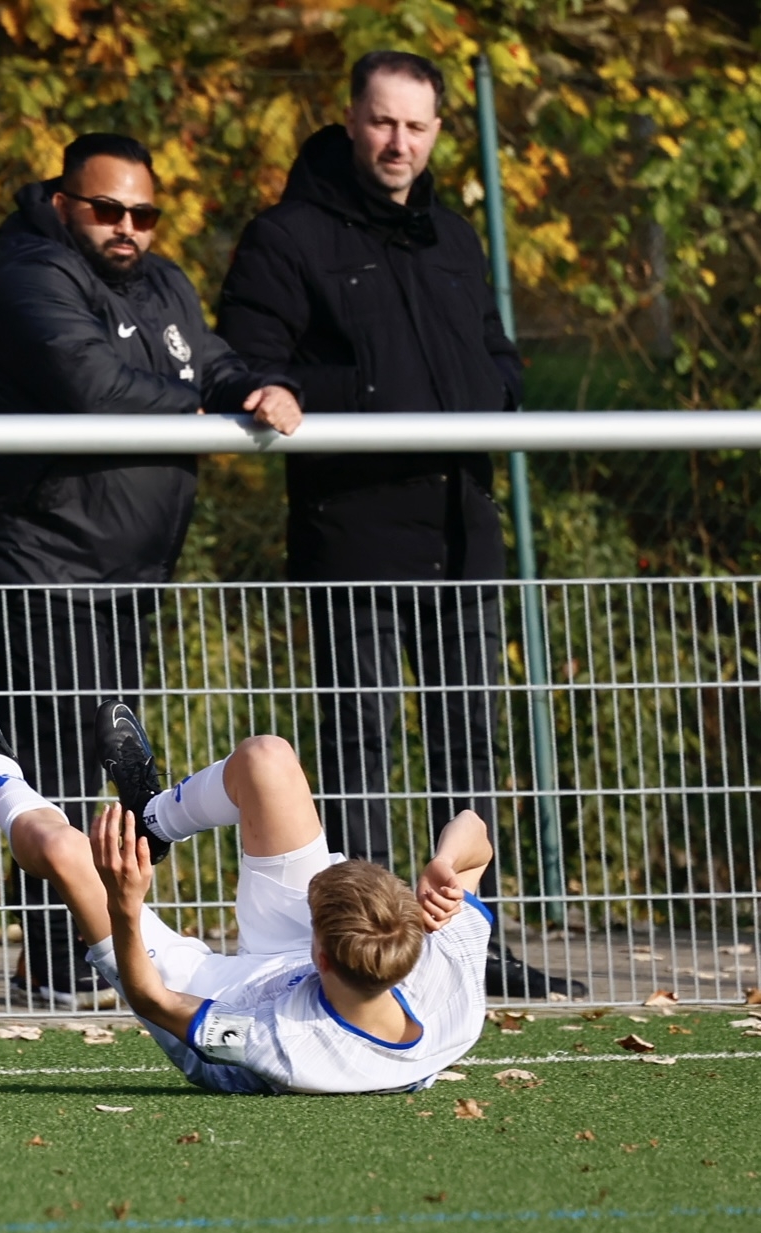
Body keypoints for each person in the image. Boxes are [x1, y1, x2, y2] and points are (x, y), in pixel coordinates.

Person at [215, 52, 579, 998]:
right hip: (354, 533)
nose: (398, 143)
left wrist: (491, 393)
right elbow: (251, 357)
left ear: (438, 133)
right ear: (350, 119)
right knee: (359, 744)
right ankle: (371, 952)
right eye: (383, 122)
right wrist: (307, 391)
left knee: (468, 742)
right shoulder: (288, 236)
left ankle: (473, 945)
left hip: (463, 529)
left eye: (417, 127)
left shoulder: (452, 236)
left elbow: (498, 358)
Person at [0, 132, 300, 1008]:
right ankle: (58, 960)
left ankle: (85, 947)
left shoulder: (163, 281)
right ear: (65, 202)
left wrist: (254, 386)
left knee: (100, 751)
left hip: (118, 564)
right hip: (32, 551)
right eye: (107, 209)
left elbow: (206, 360)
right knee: (55, 754)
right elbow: (89, 384)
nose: (127, 226)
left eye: (144, 213)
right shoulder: (28, 272)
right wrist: (203, 406)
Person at [0, 642, 492, 1094]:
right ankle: (152, 820)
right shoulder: (444, 974)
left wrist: (124, 905)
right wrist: (445, 862)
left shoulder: (283, 1044)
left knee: (64, 853)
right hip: (319, 975)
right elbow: (478, 837)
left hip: (218, 998)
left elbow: (153, 1000)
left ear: (320, 952)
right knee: (268, 759)